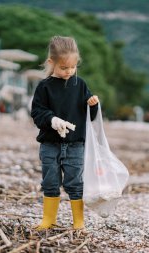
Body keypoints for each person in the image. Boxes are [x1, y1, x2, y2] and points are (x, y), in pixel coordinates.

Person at [30, 36, 99, 230]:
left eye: (72, 67)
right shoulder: (44, 87)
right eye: (64, 68)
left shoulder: (80, 85)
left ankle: (78, 221)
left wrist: (93, 106)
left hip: (75, 145)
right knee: (50, 182)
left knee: (75, 183)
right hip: (50, 145)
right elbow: (37, 113)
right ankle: (48, 219)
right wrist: (52, 120)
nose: (69, 72)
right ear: (52, 63)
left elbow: (90, 116)